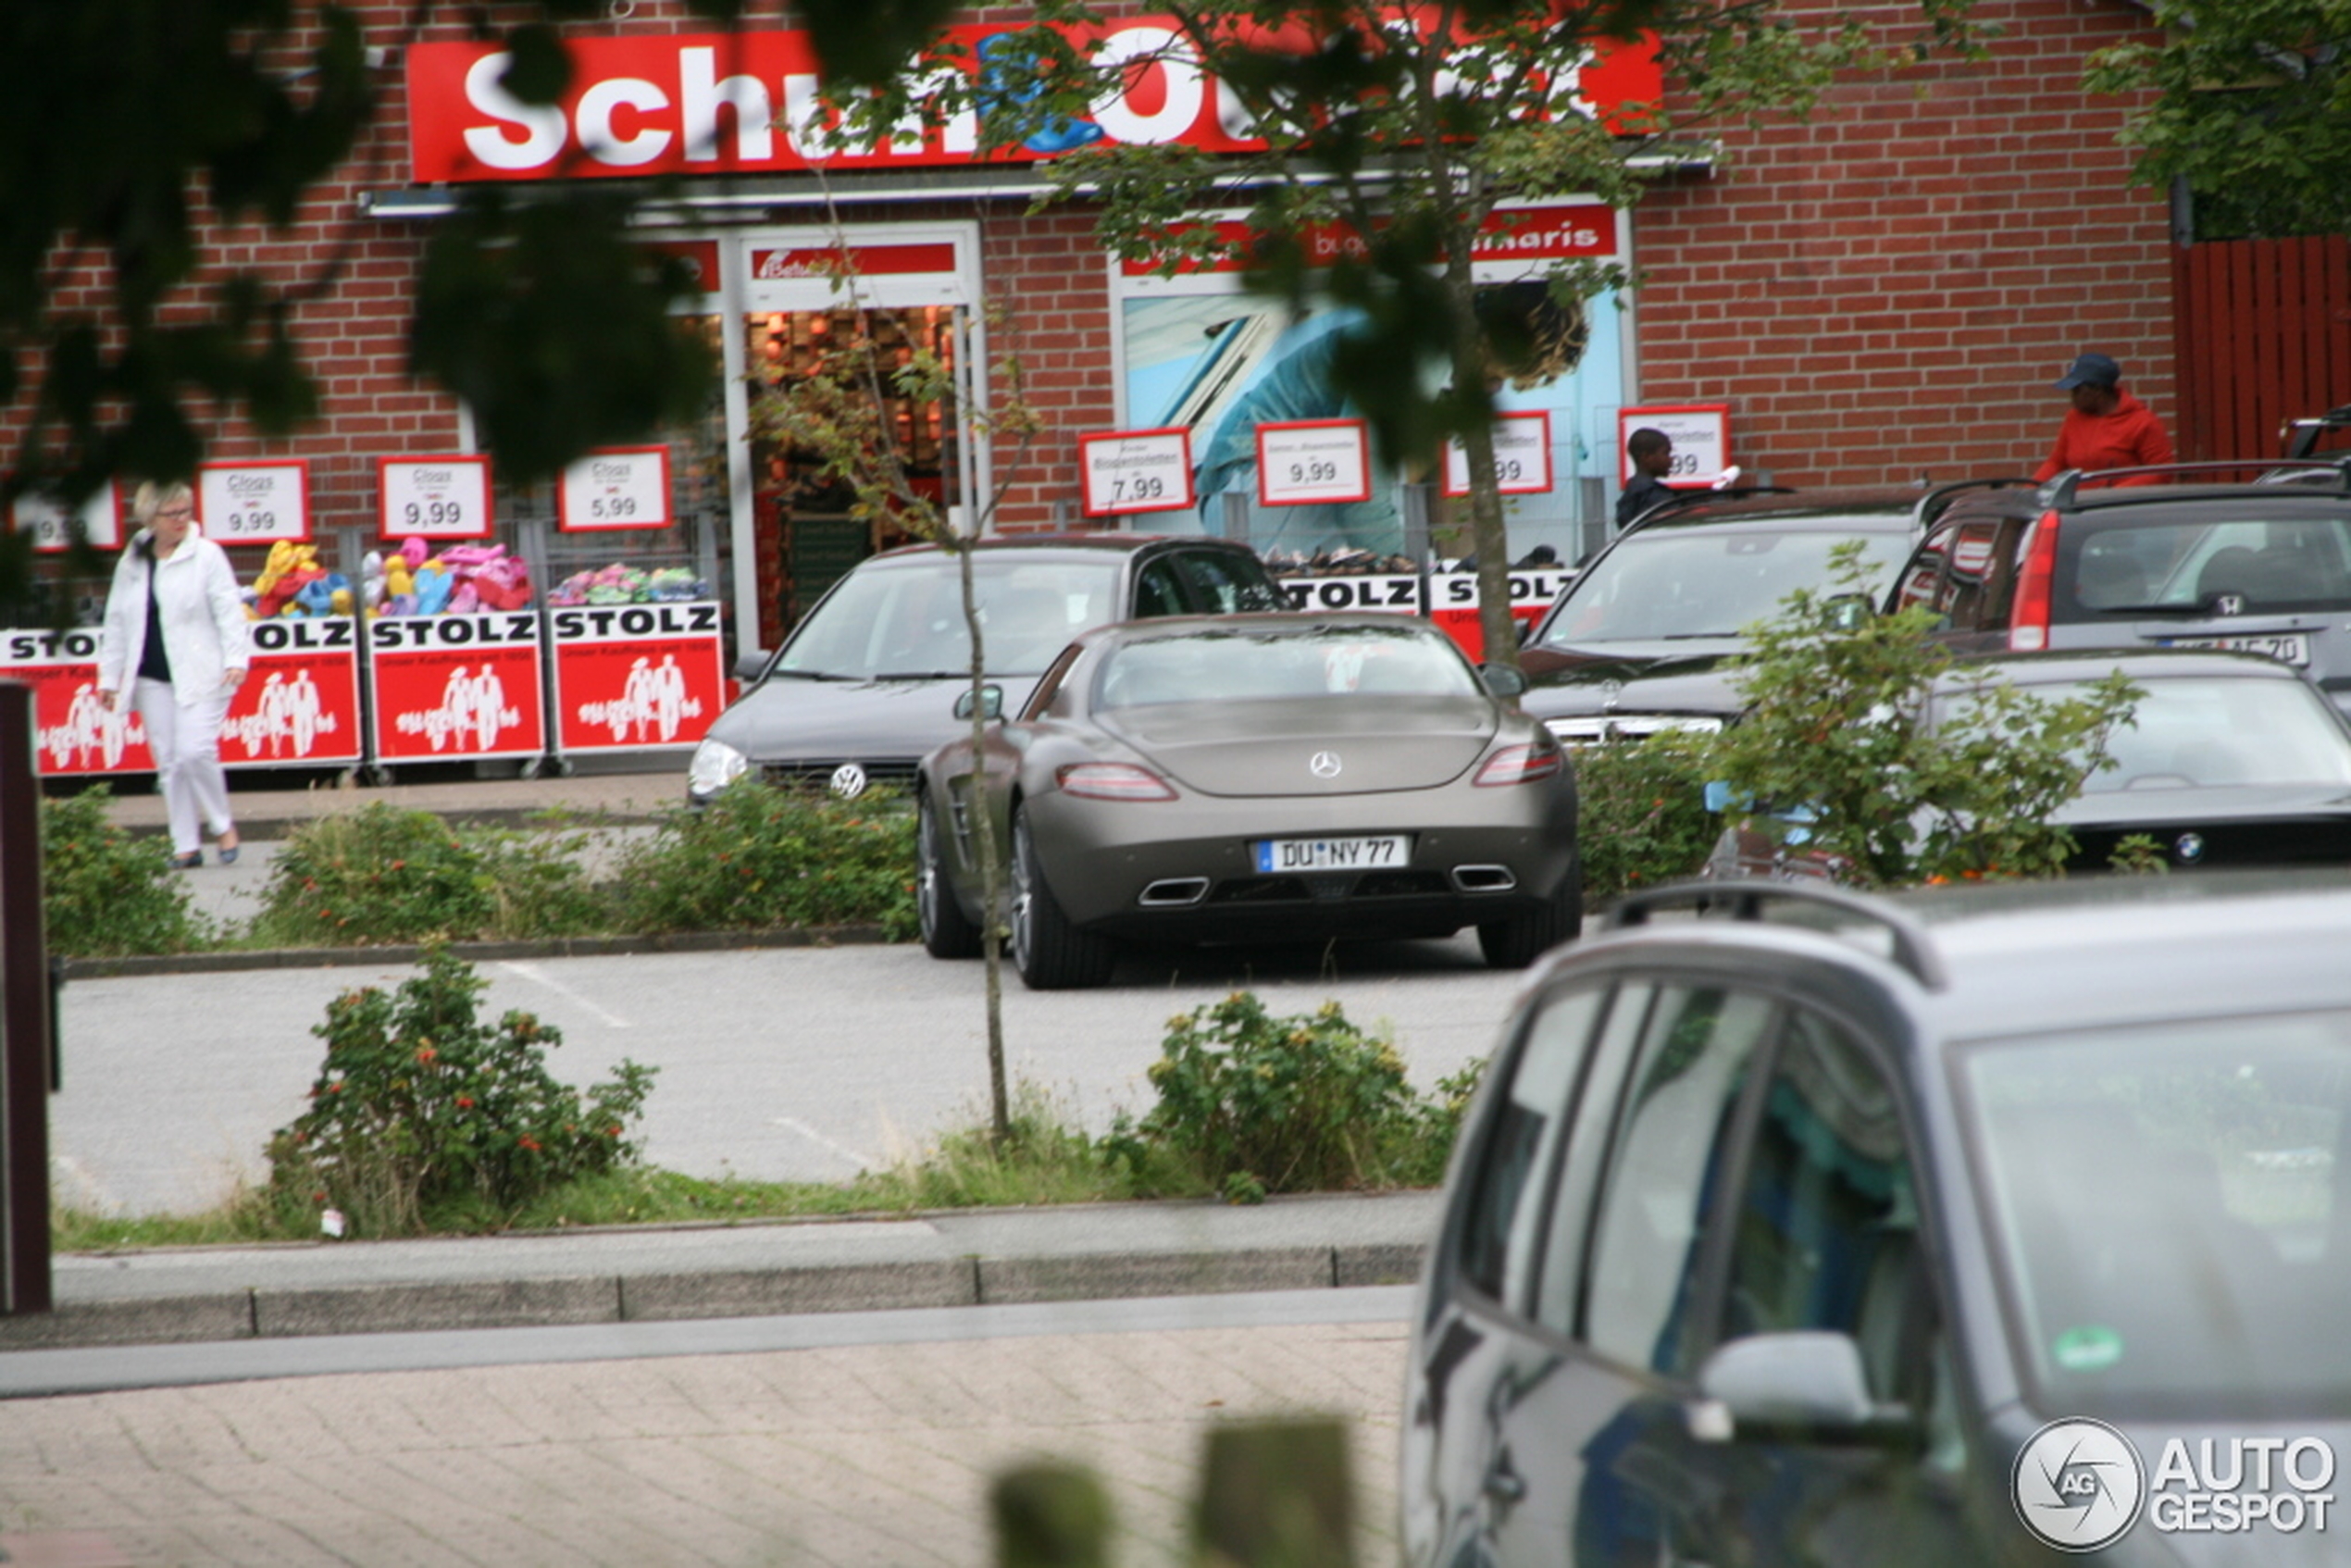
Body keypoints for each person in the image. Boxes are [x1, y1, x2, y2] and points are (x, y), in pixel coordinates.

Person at [95, 481, 250, 869]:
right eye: (172, 514)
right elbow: (116, 620)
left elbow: (229, 610)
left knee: (194, 751)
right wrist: (108, 678)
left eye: (186, 511)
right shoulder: (133, 559)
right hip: (149, 673)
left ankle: (222, 823)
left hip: (203, 671)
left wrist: (237, 658)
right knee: (168, 760)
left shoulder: (208, 555)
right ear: (151, 518)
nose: (182, 520)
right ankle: (185, 845)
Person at [2034, 352, 2174, 485]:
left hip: (2120, 505)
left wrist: (2116, 494)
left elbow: (2161, 471)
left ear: (2097, 390)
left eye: (2077, 390)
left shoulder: (2142, 422)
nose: (2072, 396)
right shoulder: (2073, 418)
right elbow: (2056, 462)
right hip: (2081, 504)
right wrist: (2031, 489)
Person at [1616, 428, 1676, 527]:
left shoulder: (1628, 496)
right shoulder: (1657, 496)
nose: (1671, 460)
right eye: (1666, 453)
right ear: (1646, 457)